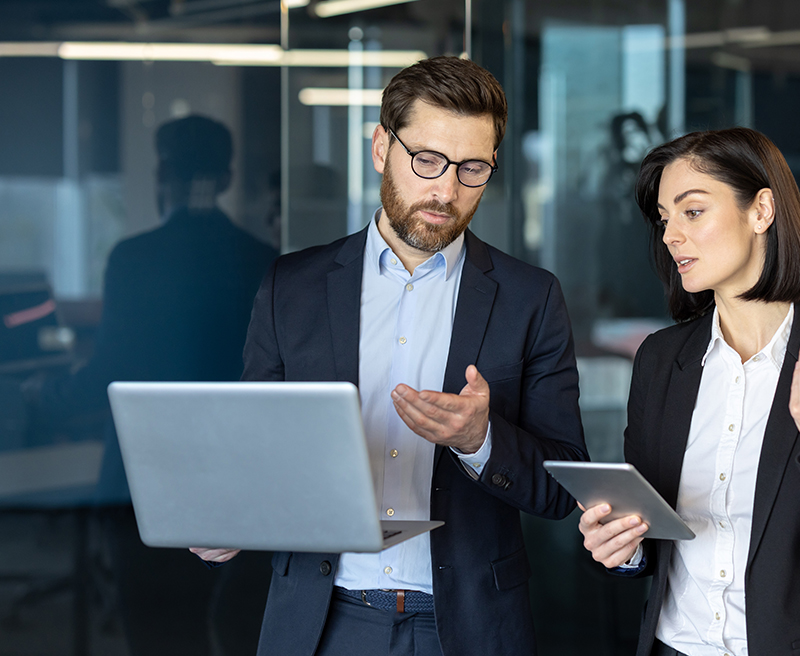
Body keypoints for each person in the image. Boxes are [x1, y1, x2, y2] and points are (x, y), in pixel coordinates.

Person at [193, 56, 588, 656]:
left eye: (473, 168)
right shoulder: (291, 287)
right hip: (322, 620)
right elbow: (254, 449)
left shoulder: (530, 297)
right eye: (426, 159)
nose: (446, 189)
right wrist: (229, 519)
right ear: (381, 147)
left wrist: (482, 441)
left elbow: (563, 485)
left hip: (469, 625)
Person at [577, 127, 800, 656]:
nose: (670, 236)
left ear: (761, 211)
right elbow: (647, 537)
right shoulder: (660, 361)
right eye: (664, 219)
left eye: (692, 211)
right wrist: (623, 547)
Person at [22, 114, 278, 654]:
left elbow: (106, 379)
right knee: (238, 635)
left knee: (161, 638)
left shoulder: (133, 260)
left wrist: (44, 397)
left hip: (144, 482)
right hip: (238, 482)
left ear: (163, 172)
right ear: (228, 177)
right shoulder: (262, 261)